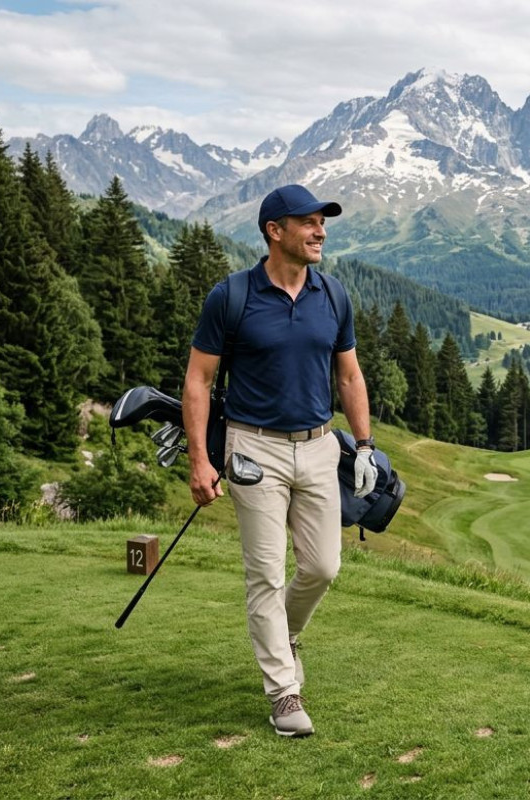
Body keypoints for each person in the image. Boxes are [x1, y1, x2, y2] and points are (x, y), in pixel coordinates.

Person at [183, 184, 375, 738]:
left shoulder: (333, 294)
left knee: (322, 567)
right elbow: (199, 379)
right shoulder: (232, 296)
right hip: (253, 448)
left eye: (323, 222)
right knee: (265, 573)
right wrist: (200, 460)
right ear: (275, 231)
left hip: (319, 446)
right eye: (309, 222)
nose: (321, 232)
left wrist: (363, 446)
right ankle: (284, 694)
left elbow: (349, 375)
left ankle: (284, 634)